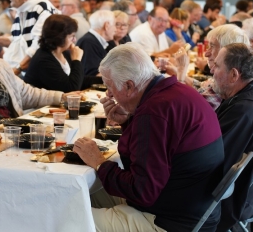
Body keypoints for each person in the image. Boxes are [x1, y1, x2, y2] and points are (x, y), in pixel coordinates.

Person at [74, 43, 224, 232]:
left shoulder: (153, 112)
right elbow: (156, 152)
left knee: (70, 214)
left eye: (110, 86)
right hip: (194, 207)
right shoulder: (177, 91)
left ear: (129, 86)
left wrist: (99, 162)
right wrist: (128, 123)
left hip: (172, 220)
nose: (108, 94)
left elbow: (142, 191)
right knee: (80, 195)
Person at [211, 43, 253, 231]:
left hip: (228, 201)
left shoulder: (245, 111)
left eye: (217, 66)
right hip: (250, 193)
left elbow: (212, 162)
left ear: (234, 75)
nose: (212, 70)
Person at [0, 0, 59, 75]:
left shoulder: (42, 10)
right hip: (23, 72)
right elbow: (20, 41)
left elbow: (38, 45)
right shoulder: (23, 9)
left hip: (37, 74)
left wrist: (17, 69)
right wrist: (0, 40)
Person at [25, 15, 101, 92]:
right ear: (60, 37)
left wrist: (104, 80)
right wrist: (76, 60)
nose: (74, 40)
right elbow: (71, 88)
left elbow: (79, 80)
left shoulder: (64, 53)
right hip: (41, 104)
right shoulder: (43, 59)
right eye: (72, 36)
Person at [76, 10, 116, 76]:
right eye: (115, 25)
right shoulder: (88, 42)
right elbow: (94, 74)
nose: (115, 29)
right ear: (107, 25)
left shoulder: (94, 40)